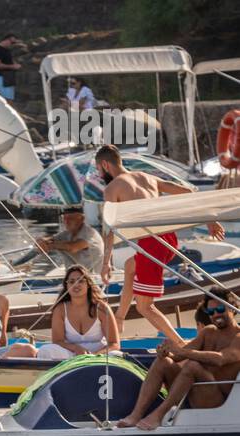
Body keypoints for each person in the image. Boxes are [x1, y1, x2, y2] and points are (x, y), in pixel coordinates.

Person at [96, 143, 225, 345]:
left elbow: (108, 230)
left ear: (104, 165)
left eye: (98, 170)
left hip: (151, 244)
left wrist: (106, 263)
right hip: (168, 238)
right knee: (131, 266)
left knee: (144, 307)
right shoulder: (148, 177)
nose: (99, 174)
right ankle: (119, 321)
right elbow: (189, 191)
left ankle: (180, 344)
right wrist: (209, 218)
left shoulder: (112, 188)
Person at [117, 290, 240, 430]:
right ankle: (136, 415)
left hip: (218, 402)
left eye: (219, 309)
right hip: (194, 394)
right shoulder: (208, 332)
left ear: (231, 307)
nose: (216, 314)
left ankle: (158, 415)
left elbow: (221, 359)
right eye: (211, 312)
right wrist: (166, 352)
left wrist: (182, 351)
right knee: (162, 362)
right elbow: (178, 356)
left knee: (193, 366)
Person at [40, 266, 120, 360]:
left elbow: (114, 344)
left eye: (80, 281)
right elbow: (57, 341)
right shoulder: (60, 309)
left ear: (88, 284)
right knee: (45, 350)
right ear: (67, 285)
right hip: (72, 353)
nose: (76, 285)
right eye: (71, 281)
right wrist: (76, 348)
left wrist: (94, 356)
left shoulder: (102, 308)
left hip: (98, 354)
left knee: (116, 354)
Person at [35, 206, 104, 276]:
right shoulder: (66, 234)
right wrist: (41, 241)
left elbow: (73, 247)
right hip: (72, 278)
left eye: (70, 218)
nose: (66, 221)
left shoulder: (90, 234)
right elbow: (50, 239)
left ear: (82, 219)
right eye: (64, 218)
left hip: (93, 279)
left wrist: (51, 245)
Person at [0, 34, 20, 102]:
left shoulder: (7, 50)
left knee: (9, 99)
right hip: (2, 77)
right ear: (7, 40)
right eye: (12, 42)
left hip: (8, 76)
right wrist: (12, 66)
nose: (12, 44)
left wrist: (14, 64)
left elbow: (8, 61)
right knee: (6, 100)